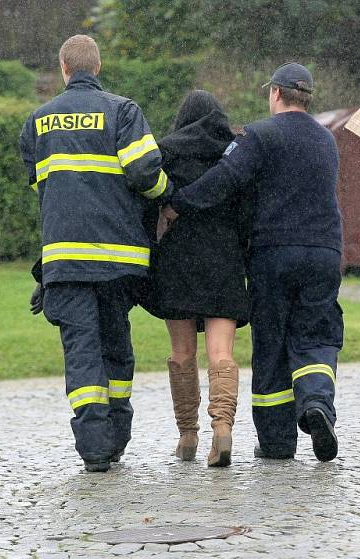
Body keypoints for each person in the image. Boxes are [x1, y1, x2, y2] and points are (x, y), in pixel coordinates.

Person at [162, 63, 343, 462]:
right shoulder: (327, 140)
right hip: (326, 252)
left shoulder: (261, 135)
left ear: (275, 94)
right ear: (307, 97)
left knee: (273, 343)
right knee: (316, 335)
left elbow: (223, 181)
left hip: (275, 252)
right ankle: (316, 404)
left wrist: (178, 204)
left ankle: (277, 442)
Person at [19, 35, 170, 472]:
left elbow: (43, 188)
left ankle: (93, 447)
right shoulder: (123, 111)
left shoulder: (37, 121)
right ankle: (117, 433)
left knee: (81, 349)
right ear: (98, 67)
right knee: (115, 343)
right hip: (117, 259)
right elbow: (145, 172)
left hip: (64, 261)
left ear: (64, 68)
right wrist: (167, 194)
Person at [142, 90, 249, 468]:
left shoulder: (166, 153)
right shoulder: (234, 153)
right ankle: (223, 428)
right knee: (222, 353)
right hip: (224, 262)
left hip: (178, 264)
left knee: (182, 354)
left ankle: (187, 436)